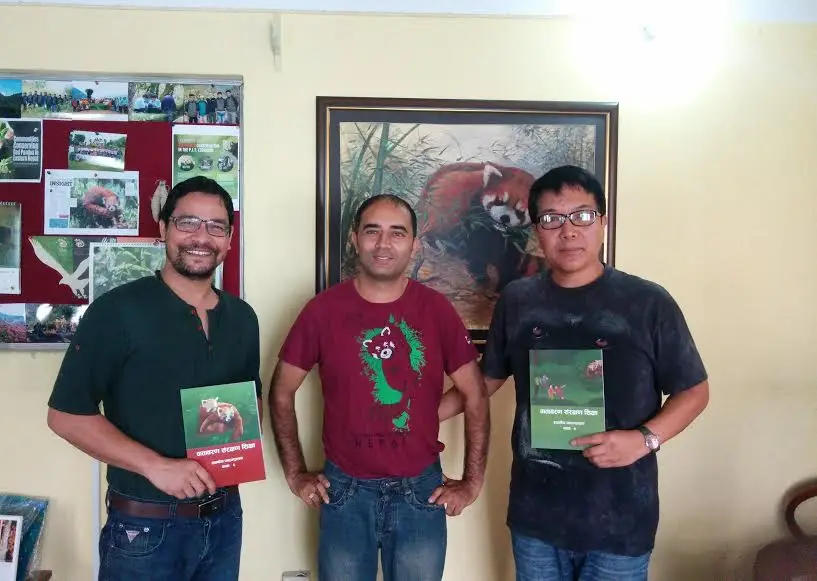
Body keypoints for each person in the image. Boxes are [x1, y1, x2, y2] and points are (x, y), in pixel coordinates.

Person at [439, 165, 710, 580]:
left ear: (602, 222)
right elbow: (486, 379)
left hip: (621, 519)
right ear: (537, 229)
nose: (568, 231)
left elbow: (695, 391)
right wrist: (418, 413)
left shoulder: (648, 302)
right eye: (551, 219)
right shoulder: (518, 300)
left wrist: (644, 440)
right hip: (536, 517)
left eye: (581, 216)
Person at [46, 175, 261, 581]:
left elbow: (251, 399)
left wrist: (237, 449)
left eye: (216, 226)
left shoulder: (243, 318)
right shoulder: (118, 311)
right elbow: (65, 416)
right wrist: (156, 466)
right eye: (188, 222)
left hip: (225, 521)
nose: (202, 237)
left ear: (230, 240)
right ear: (163, 228)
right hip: (144, 531)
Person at [269, 194, 490, 581]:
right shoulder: (322, 311)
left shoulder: (437, 310)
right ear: (355, 238)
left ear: (414, 244)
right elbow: (281, 391)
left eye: (397, 233)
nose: (383, 244)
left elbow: (474, 393)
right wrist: (295, 473)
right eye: (372, 232)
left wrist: (472, 483)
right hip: (344, 491)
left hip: (421, 491)